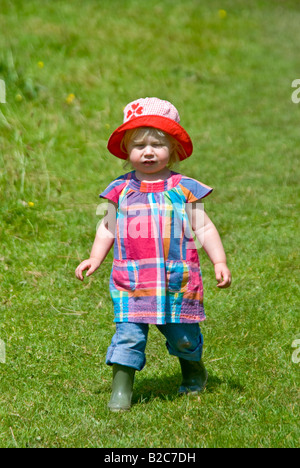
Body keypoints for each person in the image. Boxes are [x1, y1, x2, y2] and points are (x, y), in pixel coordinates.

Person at [75, 97, 231, 411]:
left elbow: (204, 227)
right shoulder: (120, 190)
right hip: (132, 282)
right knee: (129, 336)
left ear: (172, 150)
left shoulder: (183, 188)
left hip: (176, 281)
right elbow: (107, 228)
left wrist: (219, 261)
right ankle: (121, 392)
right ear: (126, 151)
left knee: (183, 336)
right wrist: (95, 258)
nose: (148, 152)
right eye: (139, 145)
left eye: (157, 145)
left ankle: (193, 373)